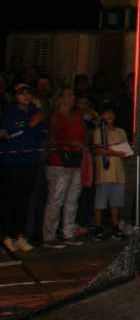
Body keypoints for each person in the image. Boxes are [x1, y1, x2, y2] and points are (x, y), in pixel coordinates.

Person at [43, 87, 88, 248]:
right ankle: (49, 236)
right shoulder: (55, 116)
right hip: (59, 162)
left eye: (72, 94)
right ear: (60, 98)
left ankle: (68, 233)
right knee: (56, 199)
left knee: (72, 198)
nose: (72, 97)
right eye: (68, 95)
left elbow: (84, 136)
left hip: (76, 160)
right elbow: (50, 141)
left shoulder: (78, 115)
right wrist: (70, 143)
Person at [1, 83, 43, 253]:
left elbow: (40, 134)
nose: (26, 96)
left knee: (24, 200)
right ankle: (5, 237)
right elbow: (7, 133)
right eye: (21, 93)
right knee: (9, 200)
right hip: (11, 163)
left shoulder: (36, 112)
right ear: (15, 96)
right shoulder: (10, 113)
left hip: (30, 162)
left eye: (28, 93)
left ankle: (19, 236)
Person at [89, 105, 129, 240]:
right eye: (106, 114)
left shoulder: (121, 131)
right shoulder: (98, 131)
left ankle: (115, 226)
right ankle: (98, 226)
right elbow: (96, 149)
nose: (109, 116)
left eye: (111, 113)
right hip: (104, 172)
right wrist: (115, 152)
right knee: (100, 201)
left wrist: (124, 153)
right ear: (101, 117)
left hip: (119, 172)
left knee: (116, 202)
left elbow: (126, 149)